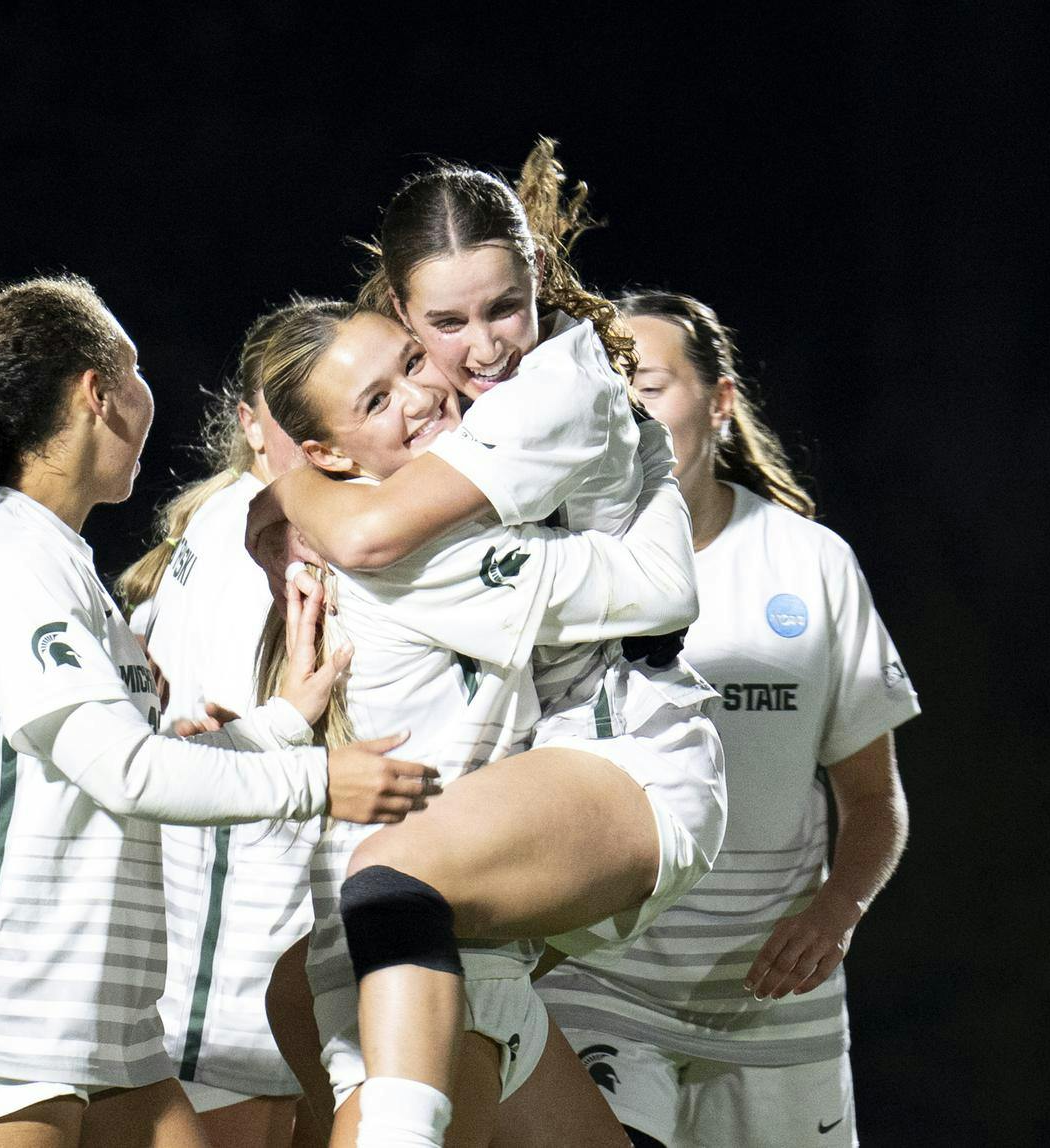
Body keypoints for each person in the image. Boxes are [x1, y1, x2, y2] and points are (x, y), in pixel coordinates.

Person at [0, 275, 438, 1148]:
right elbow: (124, 771)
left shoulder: (56, 557)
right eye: (137, 369)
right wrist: (319, 778)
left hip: (93, 1024)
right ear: (96, 392)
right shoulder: (6, 555)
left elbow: (117, 764)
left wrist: (283, 724)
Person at [245, 145, 726, 1148]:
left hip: (622, 760)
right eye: (444, 326)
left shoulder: (545, 395)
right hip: (483, 866)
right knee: (339, 950)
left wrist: (285, 485)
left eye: (503, 309)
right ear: (398, 313)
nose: (482, 351)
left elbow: (370, 537)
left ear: (539, 281)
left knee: (390, 882)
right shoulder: (434, 441)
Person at [523, 293, 919, 1148]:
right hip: (603, 978)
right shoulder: (559, 564)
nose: (633, 408)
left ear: (722, 403)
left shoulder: (812, 564)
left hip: (773, 1000)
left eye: (654, 385)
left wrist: (837, 910)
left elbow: (873, 799)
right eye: (612, 389)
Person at [116, 303, 317, 1148]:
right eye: (295, 416)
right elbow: (227, 745)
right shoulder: (250, 537)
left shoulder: (263, 517)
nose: (323, 437)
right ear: (249, 424)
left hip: (283, 935)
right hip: (228, 950)